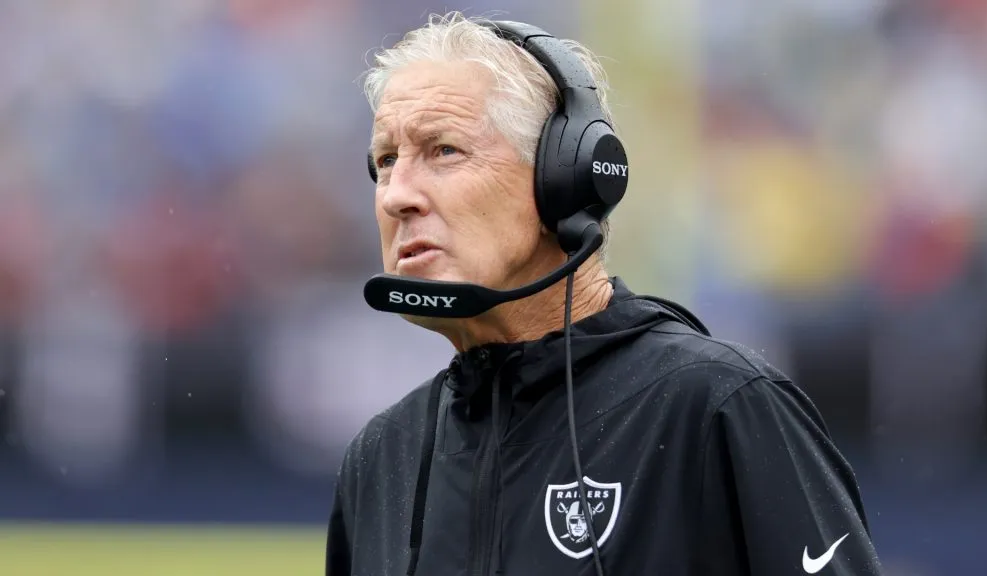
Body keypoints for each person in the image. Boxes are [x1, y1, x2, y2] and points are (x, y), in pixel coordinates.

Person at [326, 11, 884, 576]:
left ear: (563, 176)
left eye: (444, 150)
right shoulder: (381, 457)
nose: (397, 195)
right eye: (386, 161)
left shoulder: (717, 405)